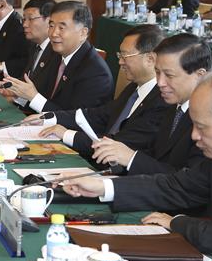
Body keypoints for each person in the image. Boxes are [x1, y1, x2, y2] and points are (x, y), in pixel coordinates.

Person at [63, 72, 212, 257]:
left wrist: (176, 222)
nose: (194, 135)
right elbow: (176, 186)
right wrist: (102, 187)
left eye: (201, 127)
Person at [37, 25, 171, 163]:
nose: (120, 62)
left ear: (150, 59)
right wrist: (51, 118)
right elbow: (99, 115)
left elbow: (120, 144)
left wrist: (66, 134)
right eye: (120, 55)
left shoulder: (162, 101)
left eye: (125, 56)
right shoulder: (134, 88)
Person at [84, 33, 211, 174]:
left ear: (200, 75)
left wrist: (130, 158)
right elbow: (152, 155)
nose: (160, 82)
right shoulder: (172, 107)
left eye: (169, 75)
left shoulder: (209, 121)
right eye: (157, 72)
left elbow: (188, 181)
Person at [0, 1, 113, 112]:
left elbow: (75, 120)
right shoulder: (55, 56)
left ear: (83, 33)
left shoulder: (95, 72)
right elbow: (45, 100)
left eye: (61, 28)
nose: (53, 33)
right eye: (51, 25)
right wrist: (18, 95)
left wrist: (33, 96)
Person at [0, 0, 60, 109]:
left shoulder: (57, 52)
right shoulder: (34, 47)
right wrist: (15, 93)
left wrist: (18, 96)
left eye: (31, 19)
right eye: (24, 19)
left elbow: (47, 97)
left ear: (50, 21)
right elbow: (30, 91)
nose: (24, 24)